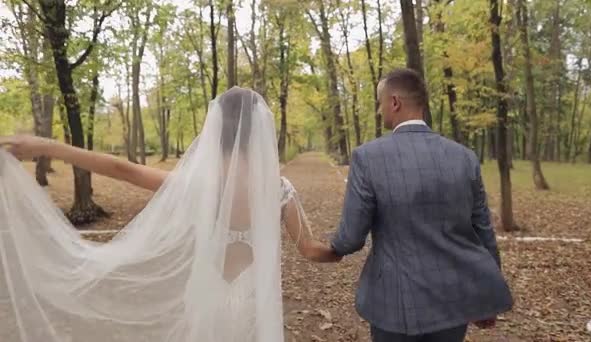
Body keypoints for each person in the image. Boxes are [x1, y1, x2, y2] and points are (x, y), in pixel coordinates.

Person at [0, 87, 338, 342]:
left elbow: (123, 169)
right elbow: (310, 249)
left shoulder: (198, 185)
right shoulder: (278, 190)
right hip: (254, 307)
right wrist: (348, 244)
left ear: (216, 129)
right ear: (259, 133)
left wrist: (47, 146)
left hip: (206, 302)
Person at [329, 68, 513, 342]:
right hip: (453, 300)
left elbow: (350, 239)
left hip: (393, 304)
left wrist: (320, 246)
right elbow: (483, 232)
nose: (380, 112)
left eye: (381, 104)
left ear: (394, 102)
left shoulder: (367, 158)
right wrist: (485, 296)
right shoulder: (464, 158)